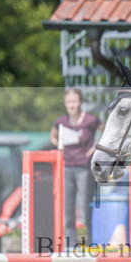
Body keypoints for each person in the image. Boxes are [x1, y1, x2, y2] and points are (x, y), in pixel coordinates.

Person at [50, 87, 102, 247]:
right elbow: (53, 135)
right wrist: (59, 145)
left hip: (84, 168)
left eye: (74, 101)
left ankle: (90, 242)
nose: (72, 105)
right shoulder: (61, 121)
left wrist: (95, 148)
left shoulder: (90, 120)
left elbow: (105, 130)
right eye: (69, 102)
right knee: (68, 209)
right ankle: (71, 245)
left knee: (85, 206)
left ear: (80, 102)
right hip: (67, 167)